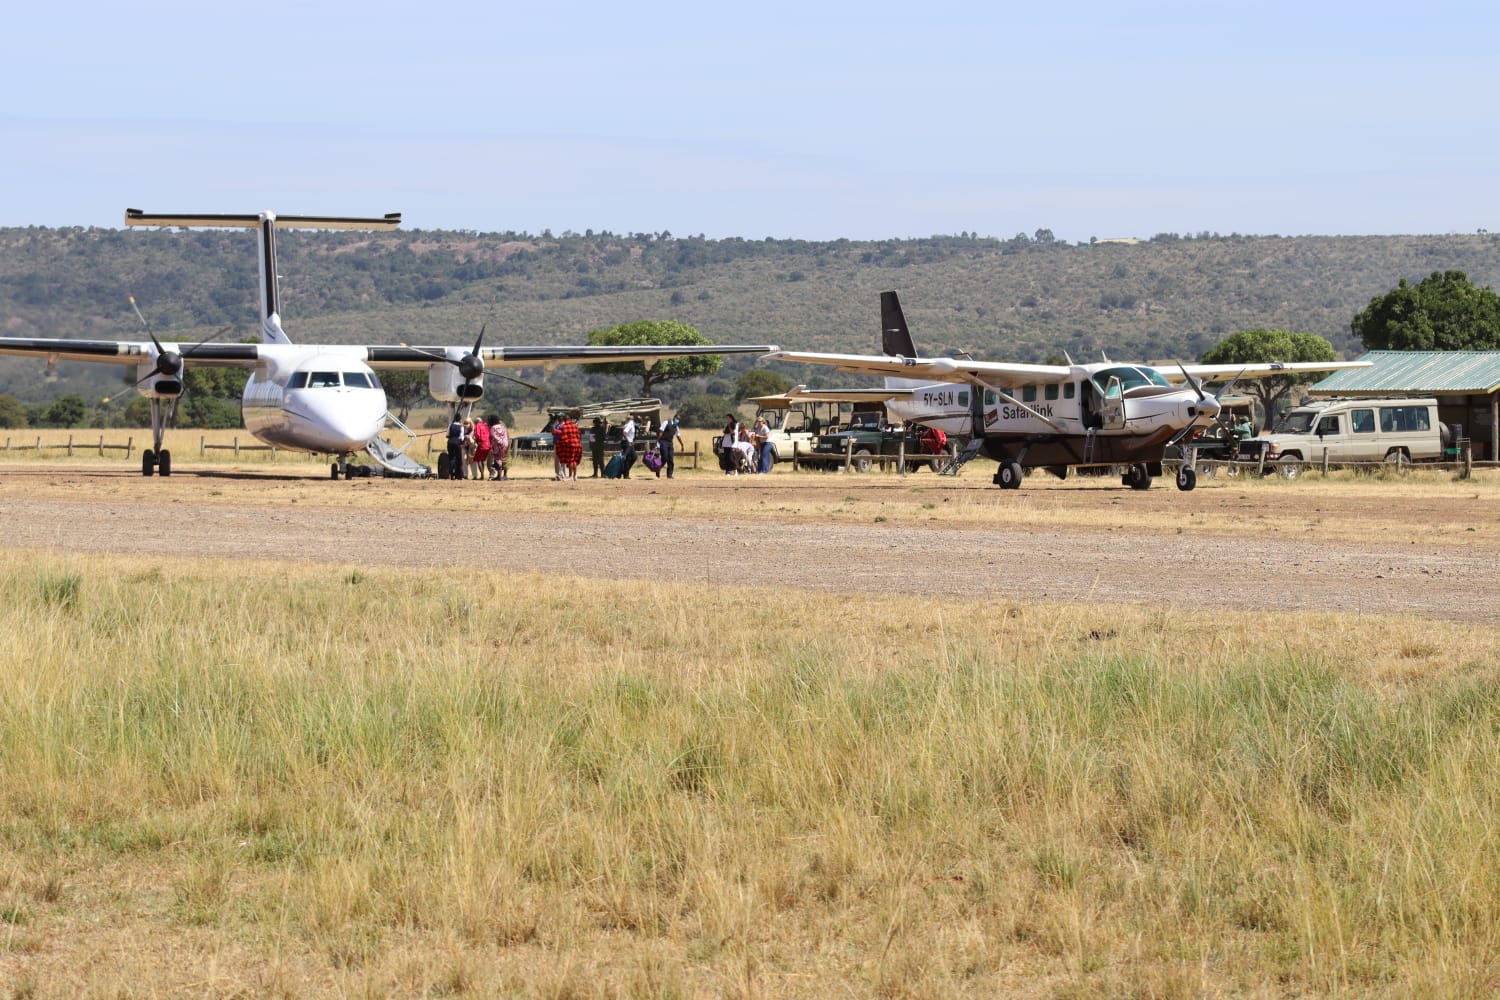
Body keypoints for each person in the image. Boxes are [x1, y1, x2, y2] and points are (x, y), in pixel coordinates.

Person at [553, 408, 583, 480]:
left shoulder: (564, 426)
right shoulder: (575, 426)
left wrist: (554, 431)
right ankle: (575, 476)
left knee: (570, 460)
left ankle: (570, 476)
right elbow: (579, 435)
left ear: (564, 420)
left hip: (569, 446)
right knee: (574, 461)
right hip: (577, 445)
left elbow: (562, 435)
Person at [470, 414, 491, 482]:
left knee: (478, 460)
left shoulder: (477, 426)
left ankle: (482, 475)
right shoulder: (486, 425)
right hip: (488, 445)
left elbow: (477, 435)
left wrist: (477, 441)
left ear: (476, 422)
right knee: (482, 460)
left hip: (482, 444)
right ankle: (484, 475)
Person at [488, 415, 509, 481]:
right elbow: (506, 435)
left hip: (497, 445)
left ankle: (499, 477)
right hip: (505, 444)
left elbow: (493, 436)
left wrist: (497, 442)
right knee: (502, 459)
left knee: (497, 459)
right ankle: (500, 476)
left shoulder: (493, 427)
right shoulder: (503, 427)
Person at [445, 412, 466, 482]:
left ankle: (451, 474)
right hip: (457, 443)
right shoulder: (461, 427)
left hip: (450, 442)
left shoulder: (450, 425)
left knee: (451, 458)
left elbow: (447, 435)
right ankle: (458, 475)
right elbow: (462, 438)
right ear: (460, 419)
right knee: (458, 459)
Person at [619, 414, 638, 479]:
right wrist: (628, 441)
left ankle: (625, 472)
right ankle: (625, 473)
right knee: (631, 458)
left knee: (631, 458)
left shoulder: (629, 423)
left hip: (628, 442)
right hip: (627, 443)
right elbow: (624, 432)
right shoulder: (630, 423)